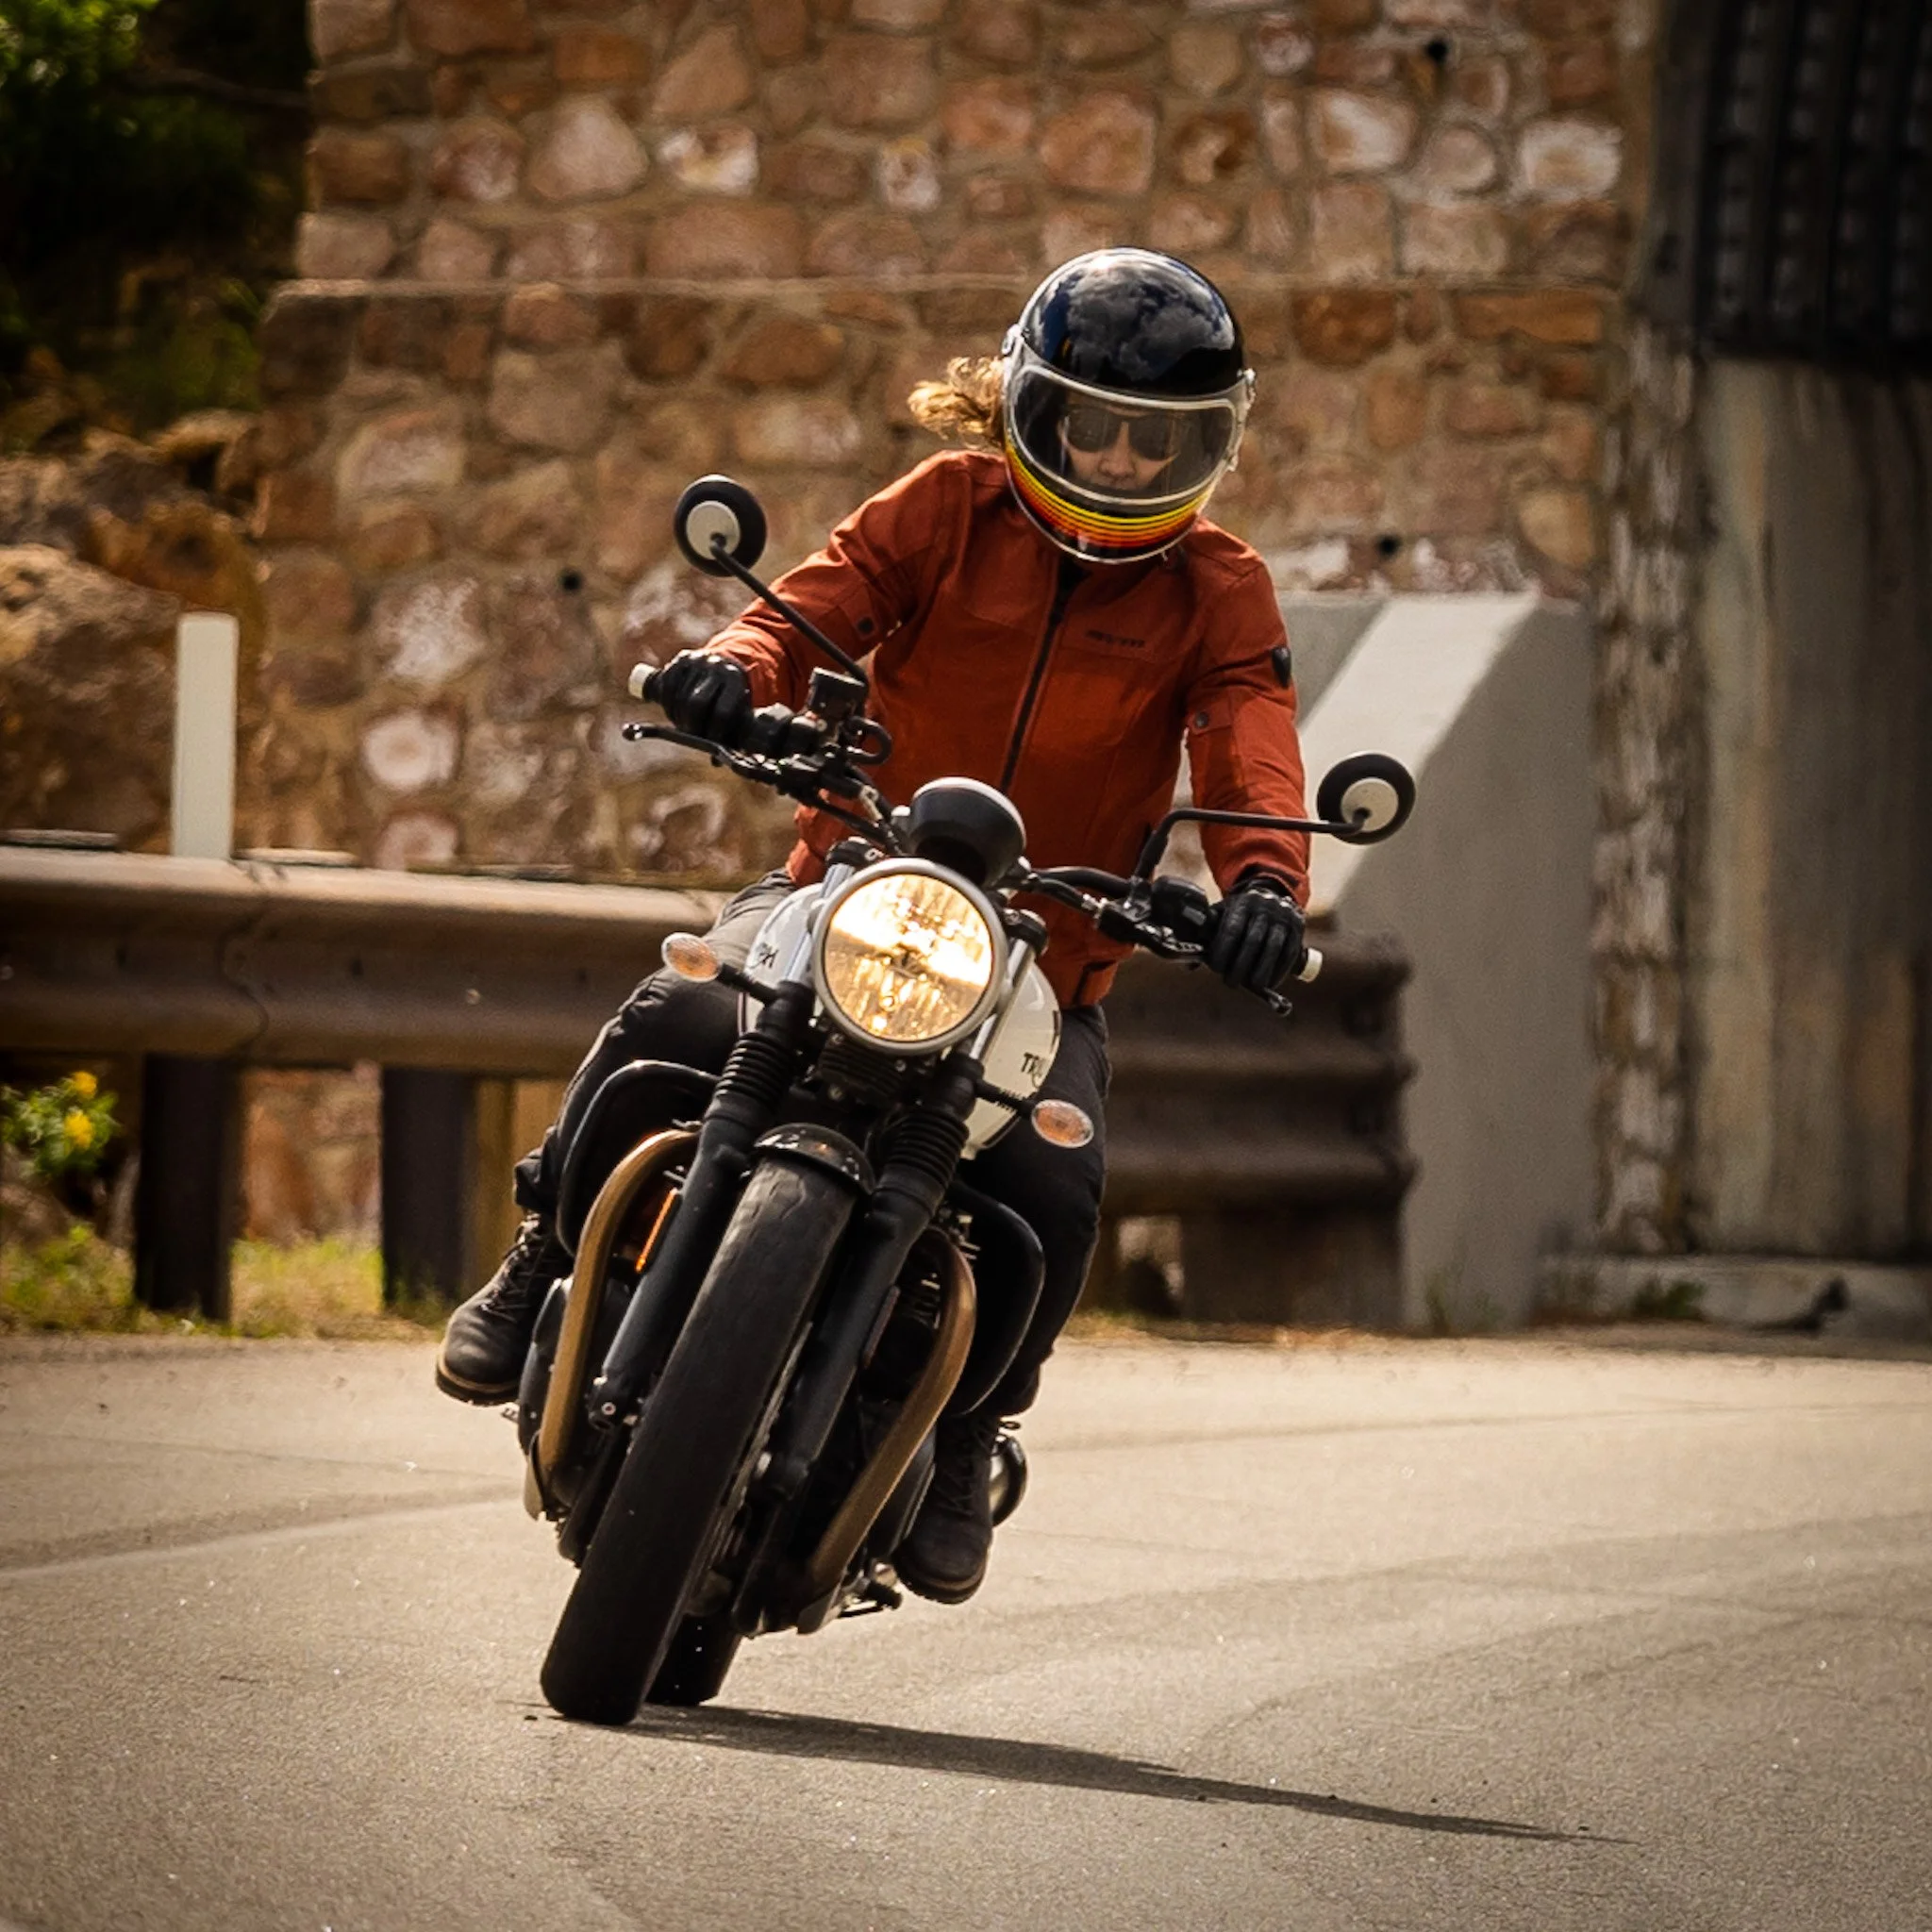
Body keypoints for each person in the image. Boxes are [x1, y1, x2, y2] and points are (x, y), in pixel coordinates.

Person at [436, 248, 1311, 1605]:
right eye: (1099, 427)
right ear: (1033, 409)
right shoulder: (950, 506)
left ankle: (966, 1434)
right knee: (670, 1014)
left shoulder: (1220, 587)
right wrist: (733, 674)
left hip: (1043, 955)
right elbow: (824, 597)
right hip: (853, 883)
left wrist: (1263, 888)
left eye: (1162, 442)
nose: (1127, 464)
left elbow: (1250, 737)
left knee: (1057, 1182)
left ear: (1212, 445)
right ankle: (542, 1252)